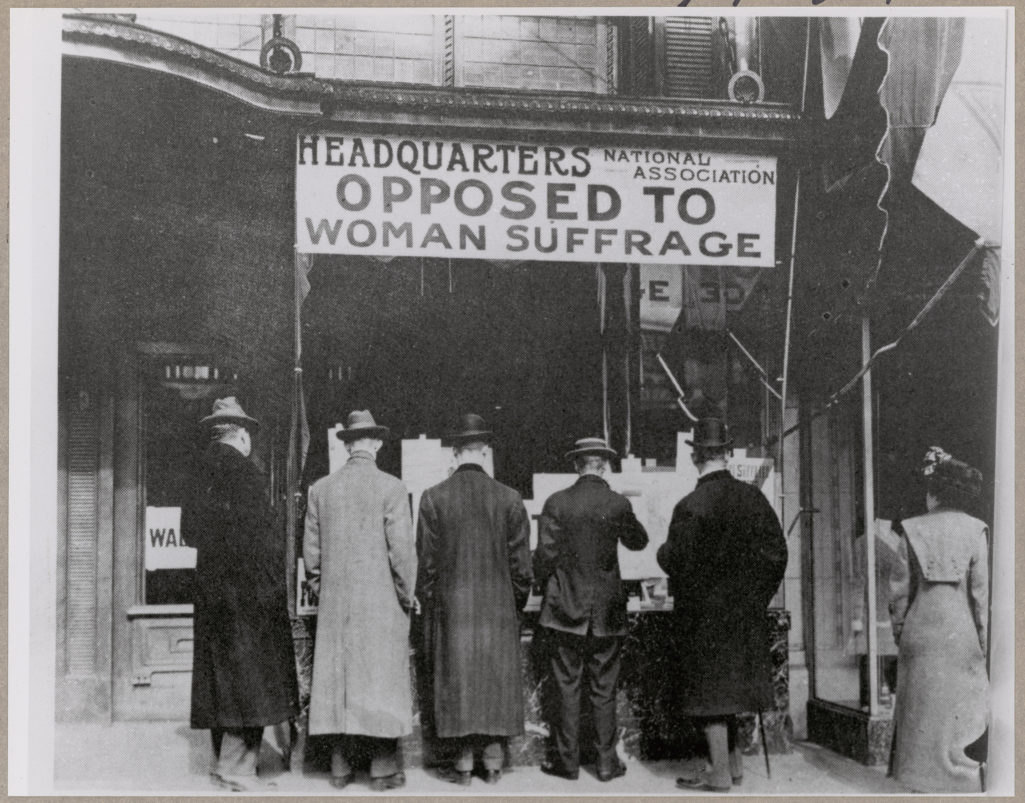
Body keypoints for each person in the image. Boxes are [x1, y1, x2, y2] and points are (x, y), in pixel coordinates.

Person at [657, 418, 787, 793]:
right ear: (727, 454)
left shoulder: (690, 506)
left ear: (695, 457)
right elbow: (777, 554)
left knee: (710, 692)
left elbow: (674, 559)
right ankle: (734, 768)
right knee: (730, 689)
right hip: (743, 615)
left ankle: (717, 775)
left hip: (703, 617)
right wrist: (755, 597)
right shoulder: (753, 499)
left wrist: (663, 553)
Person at [185, 397, 299, 792]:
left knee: (220, 679)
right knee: (250, 681)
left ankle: (225, 764)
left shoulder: (198, 471)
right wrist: (272, 589)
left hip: (212, 593)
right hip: (247, 597)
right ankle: (235, 770)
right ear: (243, 434)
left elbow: (189, 534)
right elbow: (264, 543)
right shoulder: (247, 474)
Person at [415, 413, 532, 786]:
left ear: (454, 453)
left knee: (459, 683)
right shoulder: (510, 499)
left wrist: (434, 606)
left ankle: (463, 764)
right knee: (493, 682)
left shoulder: (433, 498)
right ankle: (494, 762)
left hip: (452, 611)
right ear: (486, 452)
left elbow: (426, 567)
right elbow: (522, 569)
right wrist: (512, 604)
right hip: (497, 611)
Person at [303, 410, 416, 791]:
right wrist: (406, 597)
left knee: (341, 684)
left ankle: (339, 768)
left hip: (336, 605)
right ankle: (383, 770)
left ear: (348, 445)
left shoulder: (321, 489)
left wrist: (326, 593)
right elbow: (402, 554)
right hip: (381, 603)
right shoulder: (392, 488)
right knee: (380, 683)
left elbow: (311, 557)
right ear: (378, 444)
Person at [534, 437, 649, 782]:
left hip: (564, 611)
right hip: (607, 613)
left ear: (576, 465)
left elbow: (545, 557)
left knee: (566, 688)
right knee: (604, 689)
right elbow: (638, 541)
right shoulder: (616, 504)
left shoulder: (557, 502)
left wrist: (545, 584)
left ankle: (567, 764)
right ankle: (605, 763)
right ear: (605, 466)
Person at [887, 446, 989, 793]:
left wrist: (900, 633)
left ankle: (918, 781)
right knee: (959, 714)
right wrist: (983, 644)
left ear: (934, 493)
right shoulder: (977, 531)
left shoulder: (910, 529)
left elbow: (899, 593)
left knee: (920, 716)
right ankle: (960, 780)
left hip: (920, 633)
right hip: (960, 635)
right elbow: (980, 597)